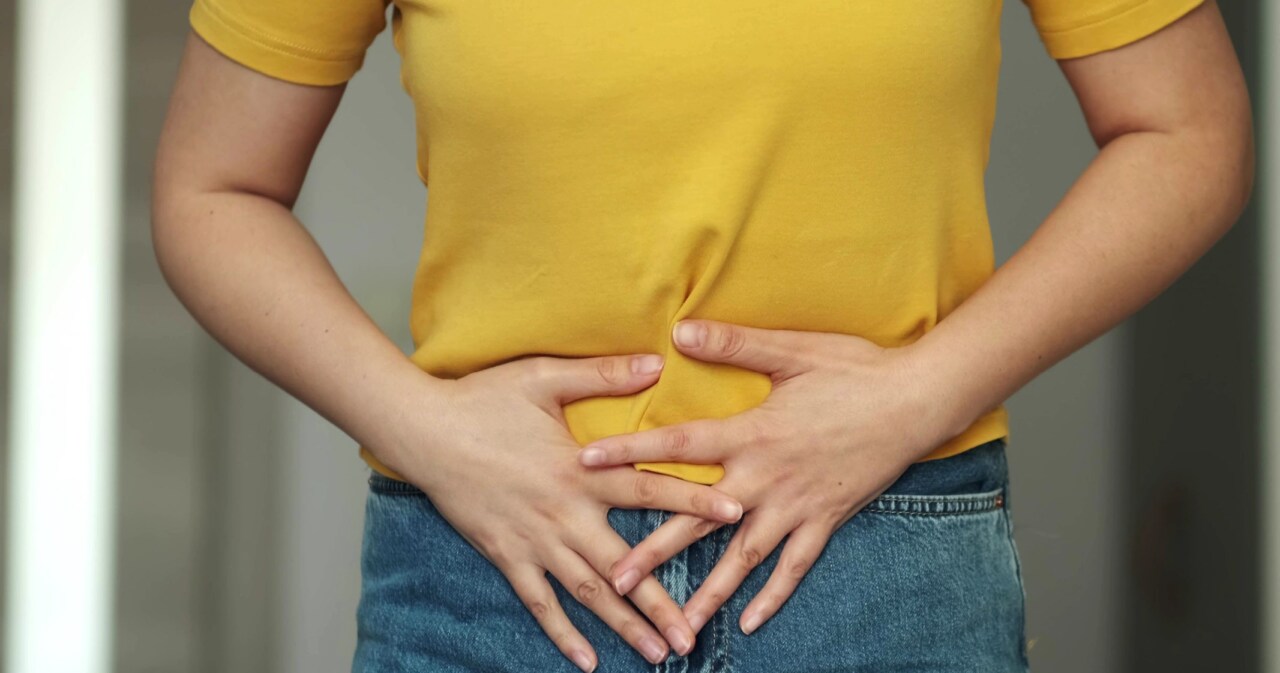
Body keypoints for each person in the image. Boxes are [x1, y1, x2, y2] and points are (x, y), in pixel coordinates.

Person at [151, 0, 1253, 669]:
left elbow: (1186, 128)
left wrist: (921, 391)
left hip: (883, 552)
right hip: (488, 565)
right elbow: (213, 188)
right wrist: (424, 427)